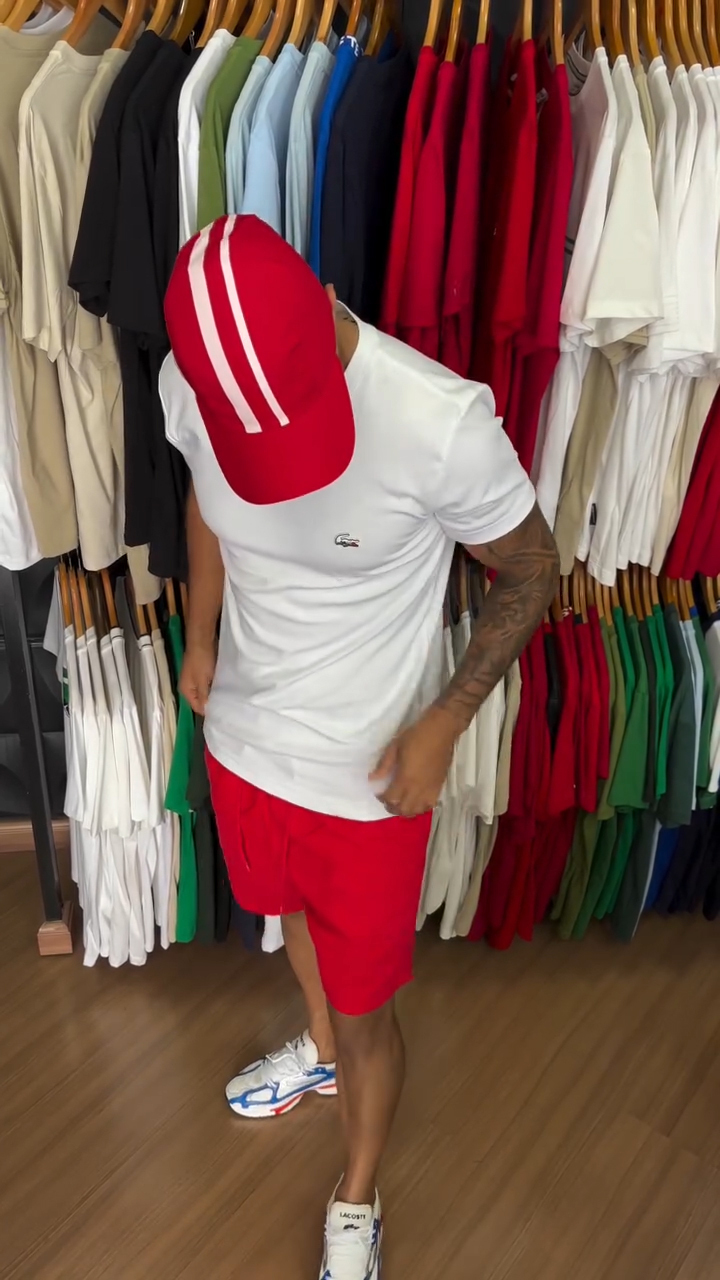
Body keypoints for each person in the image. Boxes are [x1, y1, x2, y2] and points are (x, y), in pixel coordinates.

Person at [160, 213, 559, 1280]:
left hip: (366, 784)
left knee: (371, 1005)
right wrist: (201, 634)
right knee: (289, 919)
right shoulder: (190, 381)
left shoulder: (438, 420)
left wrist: (446, 718)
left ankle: (357, 1191)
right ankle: (321, 1049)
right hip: (245, 746)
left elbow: (534, 568)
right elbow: (207, 496)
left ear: (328, 302)